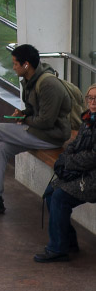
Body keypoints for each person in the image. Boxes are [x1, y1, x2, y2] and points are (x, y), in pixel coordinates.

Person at [0, 44, 78, 216]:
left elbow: (47, 121)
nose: (13, 68)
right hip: (39, 132)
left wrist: (23, 118)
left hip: (51, 136)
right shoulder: (30, 80)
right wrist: (24, 113)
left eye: (15, 64)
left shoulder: (48, 84)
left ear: (26, 64)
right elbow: (35, 109)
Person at [37, 85, 96, 262]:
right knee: (50, 192)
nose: (92, 103)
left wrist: (68, 162)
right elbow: (74, 143)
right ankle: (67, 240)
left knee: (60, 197)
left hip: (92, 178)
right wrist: (64, 159)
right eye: (90, 98)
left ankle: (58, 248)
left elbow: (94, 156)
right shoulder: (88, 120)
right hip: (81, 172)